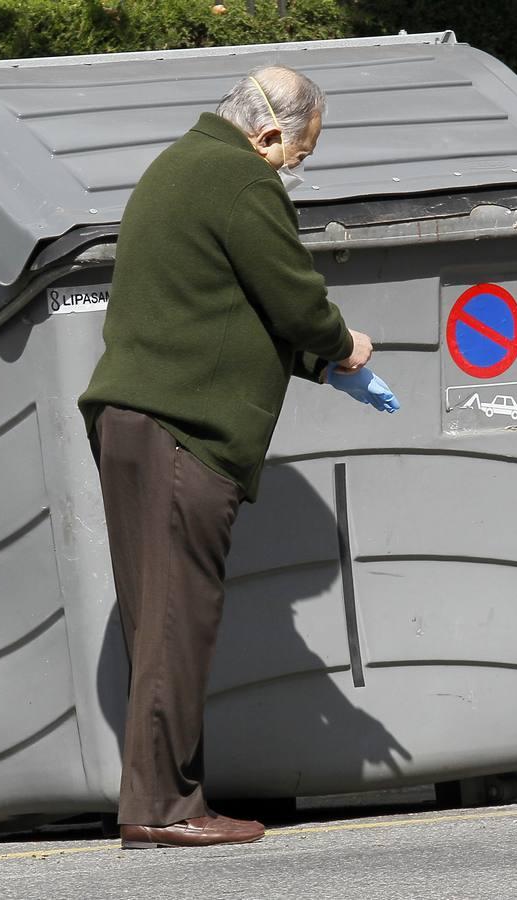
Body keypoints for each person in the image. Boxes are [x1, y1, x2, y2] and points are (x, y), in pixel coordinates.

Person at [78, 65, 390, 850]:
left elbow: (231, 311)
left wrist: (318, 368)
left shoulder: (180, 164)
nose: (294, 168)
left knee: (160, 620)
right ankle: (162, 809)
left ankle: (165, 799)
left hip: (136, 423)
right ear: (269, 133)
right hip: (184, 430)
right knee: (178, 622)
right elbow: (289, 297)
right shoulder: (240, 181)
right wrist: (343, 347)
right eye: (298, 153)